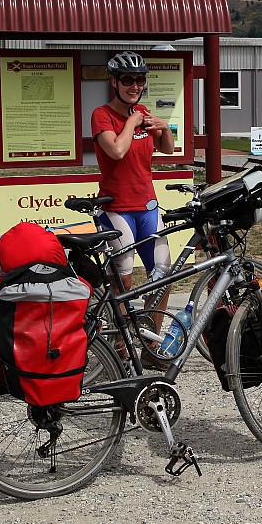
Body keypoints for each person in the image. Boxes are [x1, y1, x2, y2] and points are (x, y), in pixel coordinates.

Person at [91, 51, 176, 367]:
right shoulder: (102, 115)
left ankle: (150, 345)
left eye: (140, 80)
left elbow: (166, 149)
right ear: (114, 82)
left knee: (164, 274)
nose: (135, 85)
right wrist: (132, 122)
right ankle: (120, 349)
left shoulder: (141, 111)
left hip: (148, 207)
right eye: (127, 80)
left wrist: (164, 126)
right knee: (123, 283)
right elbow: (115, 150)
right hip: (116, 210)